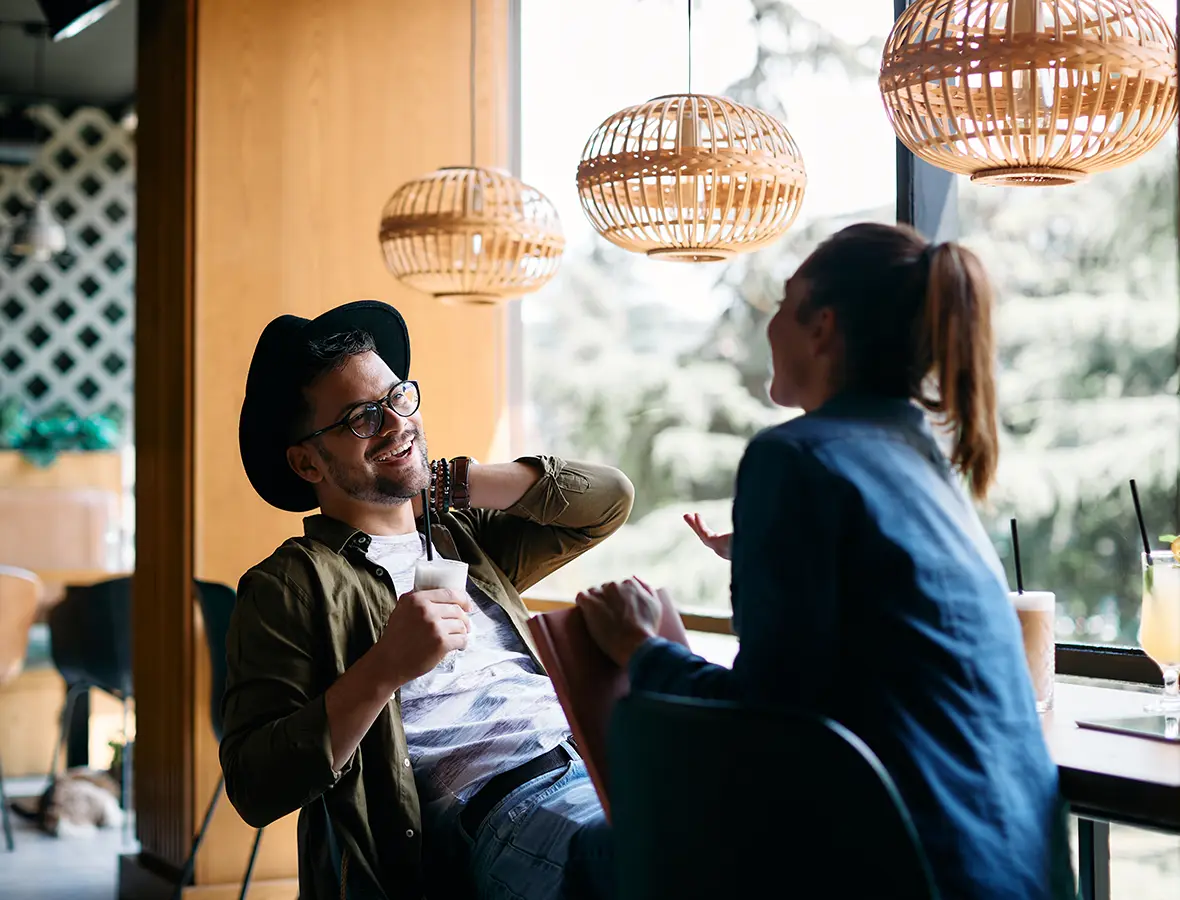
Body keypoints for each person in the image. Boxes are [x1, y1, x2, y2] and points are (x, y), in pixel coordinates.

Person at [577, 223, 1072, 900]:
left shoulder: (797, 456)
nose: (769, 325)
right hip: (1023, 873)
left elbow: (770, 723)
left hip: (910, 871)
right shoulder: (921, 460)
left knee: (591, 857)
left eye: (784, 303)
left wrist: (642, 649)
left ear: (823, 329)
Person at [221, 300, 630, 900]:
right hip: (508, 806)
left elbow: (607, 500)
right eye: (362, 418)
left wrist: (444, 480)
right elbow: (256, 784)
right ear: (307, 460)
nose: (394, 423)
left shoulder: (461, 537)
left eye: (397, 398)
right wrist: (384, 668)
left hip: (603, 761)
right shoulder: (291, 583)